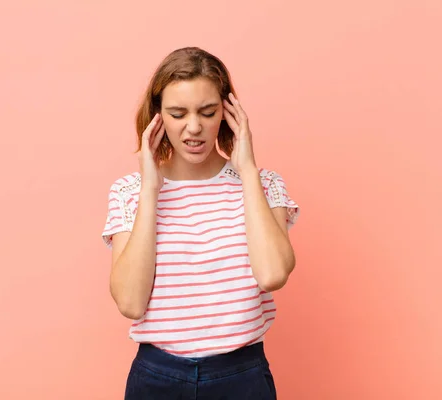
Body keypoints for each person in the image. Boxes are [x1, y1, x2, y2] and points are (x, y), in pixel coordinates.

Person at [101, 46, 299, 399]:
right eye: (178, 114)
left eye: (207, 112)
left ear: (227, 113)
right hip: (157, 378)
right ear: (157, 118)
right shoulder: (129, 193)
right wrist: (150, 189)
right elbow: (130, 303)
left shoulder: (264, 185)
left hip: (241, 377)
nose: (194, 128)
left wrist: (248, 169)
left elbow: (272, 275)